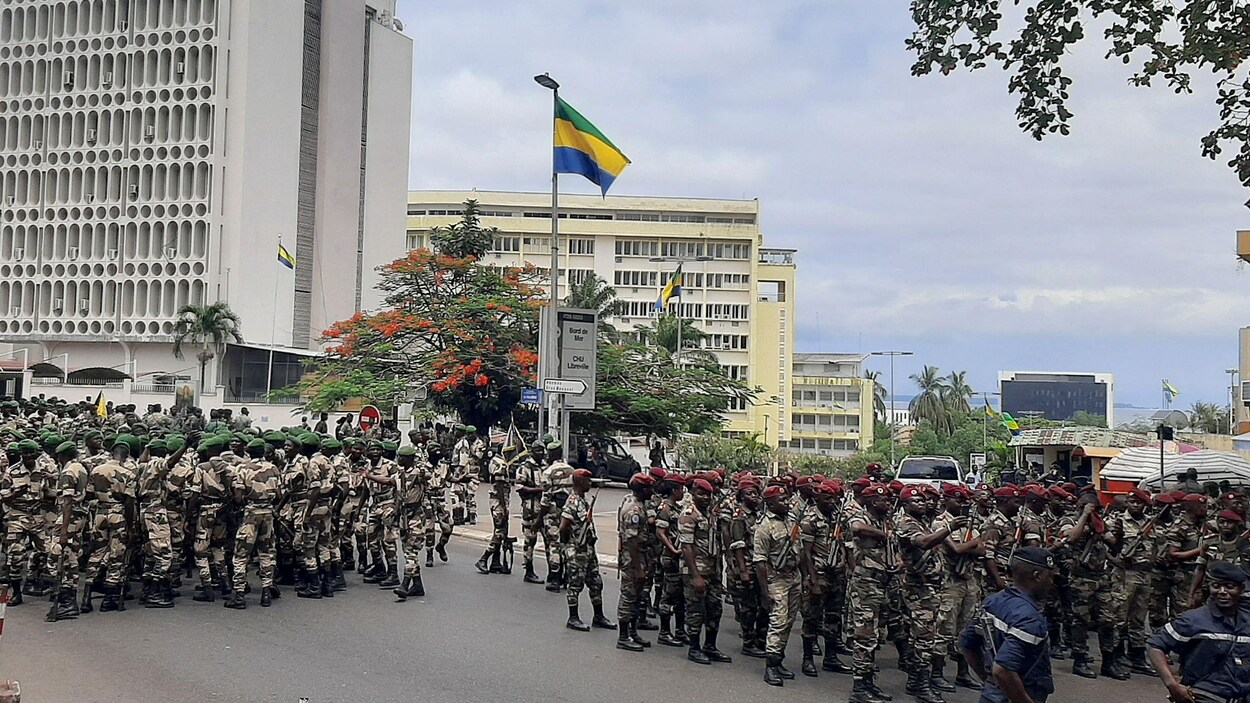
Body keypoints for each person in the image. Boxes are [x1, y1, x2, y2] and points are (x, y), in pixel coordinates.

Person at [959, 547, 1056, 703]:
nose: (1051, 582)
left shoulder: (994, 601)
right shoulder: (1030, 618)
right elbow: (1002, 669)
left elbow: (966, 642)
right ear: (1037, 576)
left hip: (991, 695)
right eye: (1050, 576)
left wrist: (990, 680)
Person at [1147, 561, 1250, 703]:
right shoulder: (1194, 619)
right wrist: (1172, 684)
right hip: (1205, 696)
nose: (1222, 591)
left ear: (1241, 589)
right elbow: (1155, 645)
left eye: (1229, 587)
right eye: (1216, 586)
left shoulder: (1247, 621)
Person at [755, 484, 801, 686]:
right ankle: (771, 666)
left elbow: (799, 548)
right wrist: (765, 592)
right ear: (770, 504)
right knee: (778, 622)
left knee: (789, 621)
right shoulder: (765, 526)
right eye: (781, 500)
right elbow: (760, 561)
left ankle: (779, 660)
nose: (787, 502)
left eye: (787, 499)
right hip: (776, 579)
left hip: (794, 576)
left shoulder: (791, 520)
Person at [559, 468, 613, 632]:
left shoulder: (583, 500)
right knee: (575, 584)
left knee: (596, 582)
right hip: (578, 549)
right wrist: (569, 545)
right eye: (588, 481)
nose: (590, 483)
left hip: (588, 549)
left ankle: (598, 616)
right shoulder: (573, 501)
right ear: (580, 482)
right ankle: (573, 618)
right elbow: (563, 527)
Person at [616, 472, 655, 651]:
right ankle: (623, 636)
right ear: (642, 489)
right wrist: (638, 568)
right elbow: (631, 542)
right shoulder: (634, 511)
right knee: (629, 596)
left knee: (637, 596)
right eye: (649, 488)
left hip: (640, 557)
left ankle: (633, 632)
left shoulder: (637, 503)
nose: (652, 491)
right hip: (633, 559)